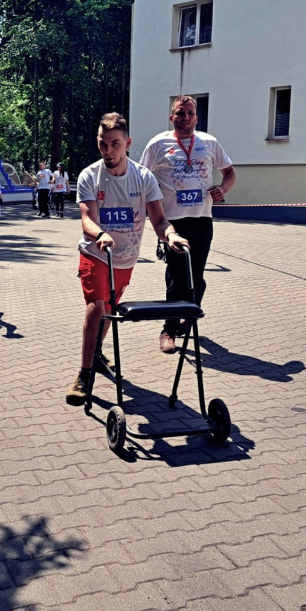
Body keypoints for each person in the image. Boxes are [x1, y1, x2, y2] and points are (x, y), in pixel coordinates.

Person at [65, 113, 189, 406]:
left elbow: (159, 220)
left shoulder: (143, 177)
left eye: (114, 144)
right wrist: (100, 235)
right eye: (102, 144)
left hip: (125, 260)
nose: (107, 151)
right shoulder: (89, 176)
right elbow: (87, 219)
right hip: (96, 254)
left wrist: (170, 235)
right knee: (97, 308)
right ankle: (85, 374)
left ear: (128, 143)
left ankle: (96, 353)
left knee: (109, 310)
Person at [139, 95, 236, 353]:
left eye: (189, 113)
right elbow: (142, 177)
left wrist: (223, 189)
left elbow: (229, 172)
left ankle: (187, 317)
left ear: (196, 117)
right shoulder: (158, 144)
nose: (185, 117)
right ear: (172, 117)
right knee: (176, 276)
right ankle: (168, 330)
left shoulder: (209, 142)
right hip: (172, 223)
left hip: (202, 218)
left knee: (198, 277)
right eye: (179, 113)